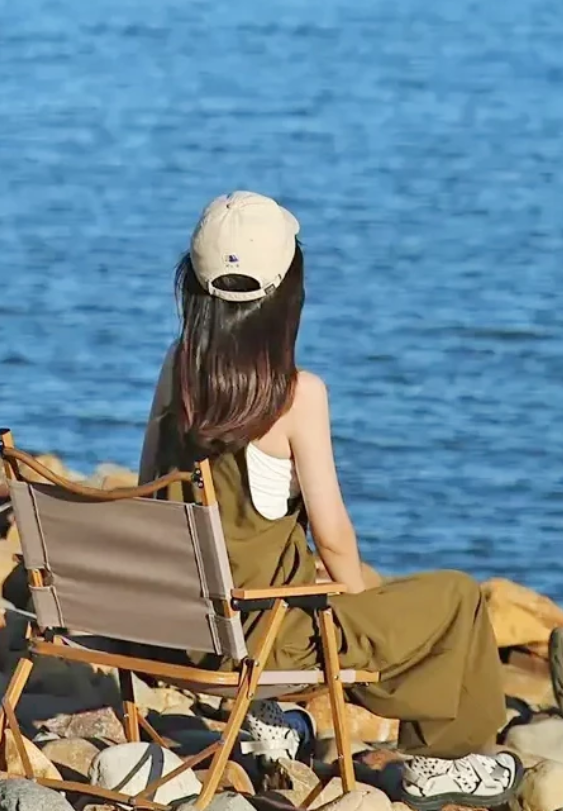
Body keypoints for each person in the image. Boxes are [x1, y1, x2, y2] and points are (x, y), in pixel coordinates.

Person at [141, 191, 522, 810]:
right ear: (288, 291)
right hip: (261, 635)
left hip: (185, 621)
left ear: (194, 285)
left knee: (339, 584)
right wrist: (362, 600)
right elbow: (335, 535)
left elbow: (150, 487)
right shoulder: (295, 397)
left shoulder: (177, 367)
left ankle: (270, 718)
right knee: (454, 598)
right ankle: (446, 761)